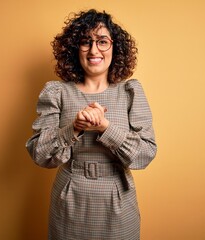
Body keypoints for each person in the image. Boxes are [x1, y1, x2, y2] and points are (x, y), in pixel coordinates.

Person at [26, 9, 157, 240]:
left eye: (102, 41)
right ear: (75, 49)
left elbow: (145, 154)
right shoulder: (57, 92)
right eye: (85, 42)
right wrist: (74, 127)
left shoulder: (130, 92)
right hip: (70, 201)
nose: (94, 50)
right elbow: (40, 154)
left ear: (115, 48)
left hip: (117, 200)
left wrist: (105, 127)